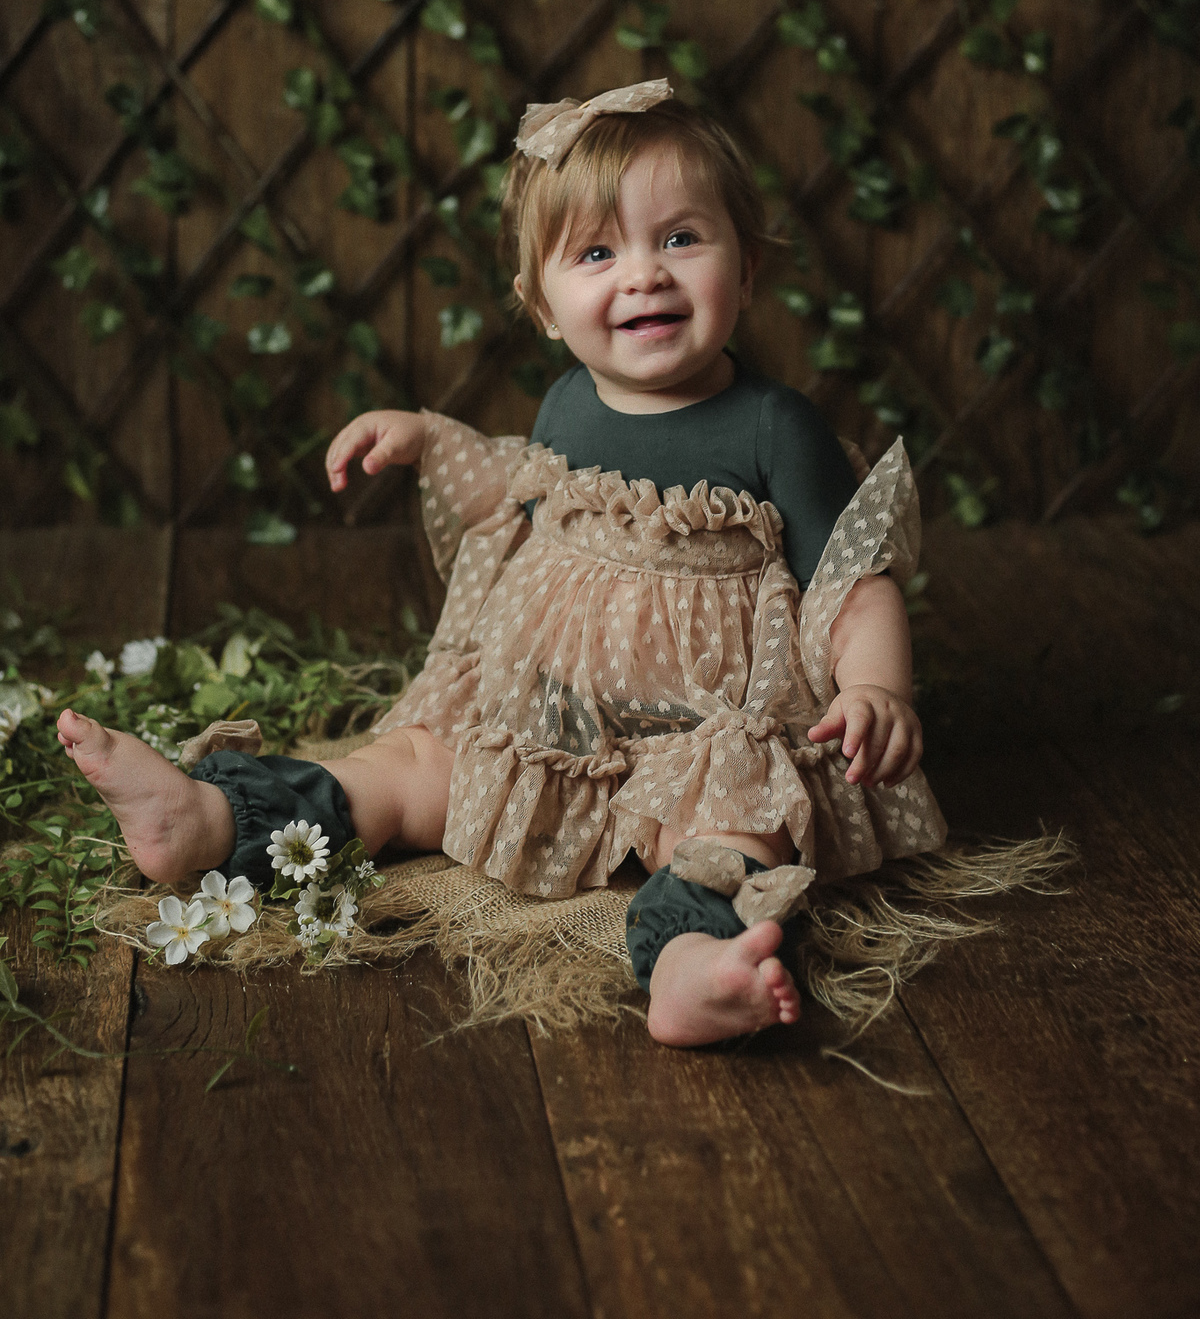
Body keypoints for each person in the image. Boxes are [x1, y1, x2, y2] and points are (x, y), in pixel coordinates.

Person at [58, 80, 946, 1048]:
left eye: (682, 238)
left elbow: (852, 578)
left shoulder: (776, 428)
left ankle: (691, 965)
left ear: (749, 263)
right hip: (549, 720)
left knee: (734, 837)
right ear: (543, 306)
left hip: (704, 740)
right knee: (410, 769)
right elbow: (526, 489)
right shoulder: (566, 404)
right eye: (598, 253)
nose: (644, 275)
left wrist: (876, 686)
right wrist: (428, 439)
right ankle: (211, 820)